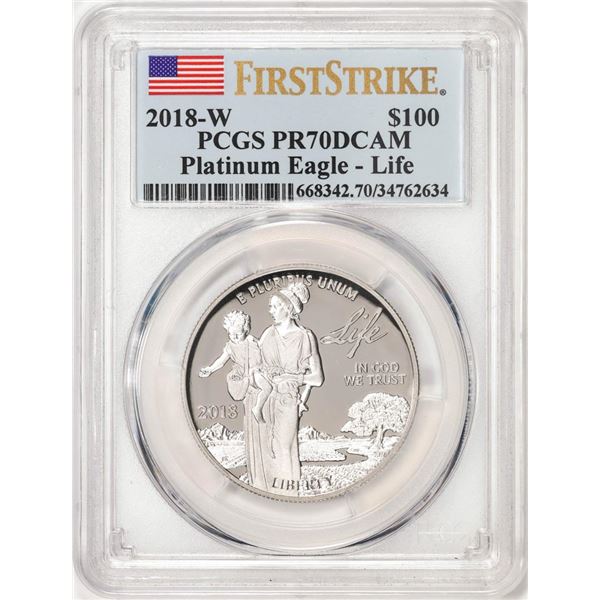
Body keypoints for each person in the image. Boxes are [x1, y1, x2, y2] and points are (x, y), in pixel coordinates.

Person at [256, 282, 324, 495]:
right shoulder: (268, 334)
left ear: (288, 308)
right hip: (266, 398)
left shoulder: (305, 336)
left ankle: (288, 497)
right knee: (268, 449)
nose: (271, 310)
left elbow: (317, 378)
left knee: (284, 448)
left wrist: (290, 377)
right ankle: (268, 498)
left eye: (275, 306)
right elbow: (256, 365)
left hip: (287, 401)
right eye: (270, 306)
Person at [198, 311, 271, 414]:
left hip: (259, 369)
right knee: (266, 387)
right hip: (246, 374)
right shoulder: (230, 347)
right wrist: (210, 369)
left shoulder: (251, 340)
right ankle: (257, 409)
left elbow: (263, 349)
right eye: (231, 334)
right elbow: (221, 361)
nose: (235, 337)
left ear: (246, 331)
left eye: (238, 334)